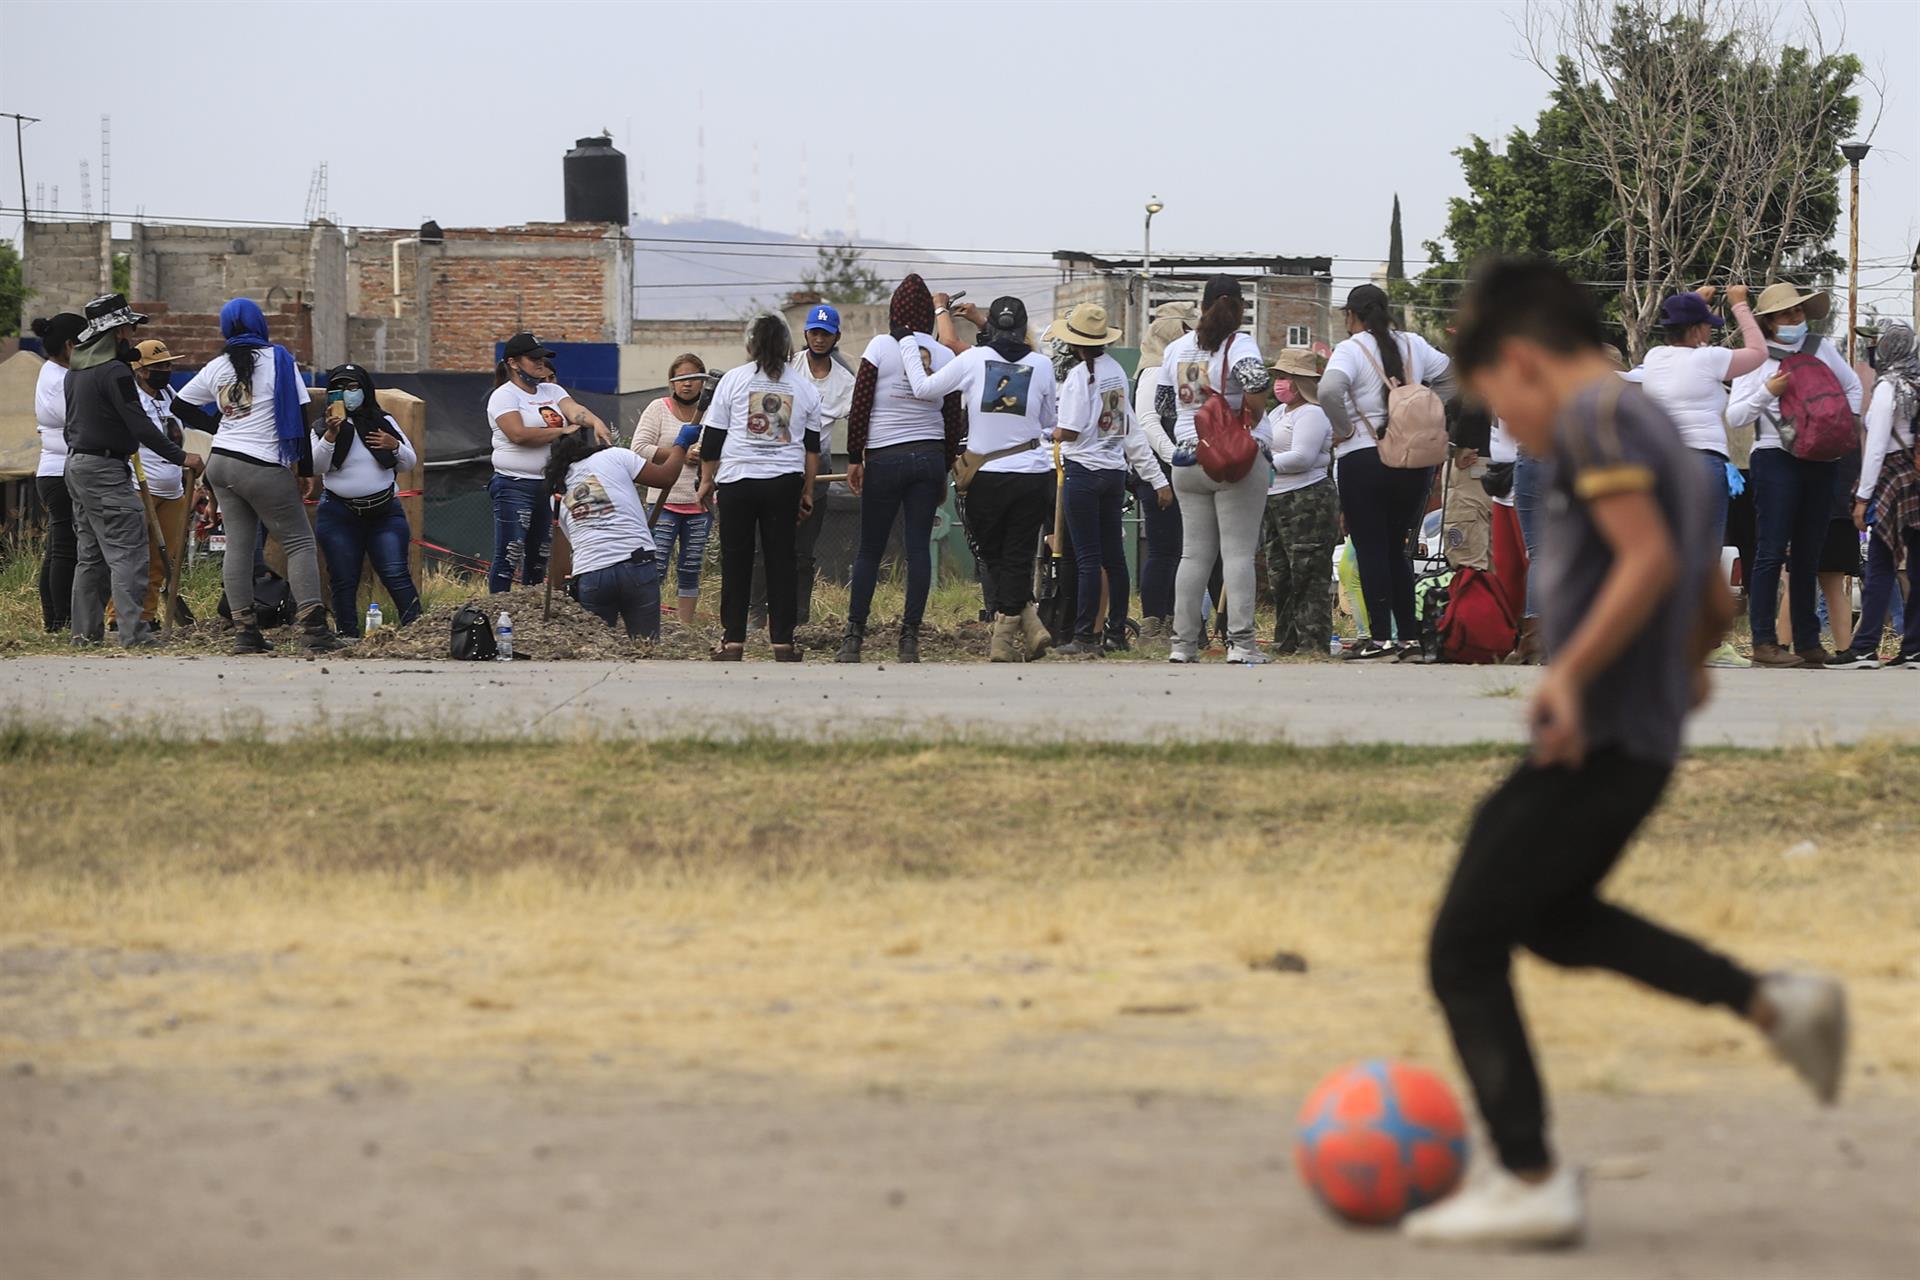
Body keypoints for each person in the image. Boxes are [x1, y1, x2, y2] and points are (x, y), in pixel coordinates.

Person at [1405, 258, 1845, 1249]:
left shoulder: (1602, 417)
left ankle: (1530, 1174)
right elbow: (1712, 592)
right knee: (1553, 921)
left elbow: (1646, 556)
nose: (1513, 425)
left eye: (1500, 403)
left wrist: (1567, 675)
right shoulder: (1651, 424)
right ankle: (1775, 1004)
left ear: (1523, 363)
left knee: (1464, 941)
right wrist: (1683, 666)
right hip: (1632, 730)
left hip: (1599, 726)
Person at [172, 299, 338, 654]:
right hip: (261, 464)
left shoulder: (217, 366)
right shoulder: (279, 360)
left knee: (239, 545)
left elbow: (180, 406)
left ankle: (245, 633)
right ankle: (314, 630)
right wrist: (304, 469)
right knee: (299, 542)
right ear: (260, 324)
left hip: (221, 463)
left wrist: (219, 425)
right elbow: (302, 413)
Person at [900, 295, 1058, 662]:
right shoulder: (1042, 365)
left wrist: (907, 342)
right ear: (1023, 330)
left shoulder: (971, 358)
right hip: (1032, 473)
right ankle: (1028, 625)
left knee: (993, 555)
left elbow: (924, 388)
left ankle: (1003, 638)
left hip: (985, 475)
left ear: (990, 328)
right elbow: (1050, 420)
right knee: (1018, 554)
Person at [1725, 282, 1864, 668]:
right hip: (1774, 458)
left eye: (1798, 312)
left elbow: (1852, 387)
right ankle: (1765, 643)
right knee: (1770, 552)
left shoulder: (1822, 349)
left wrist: (1839, 426)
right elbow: (1736, 417)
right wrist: (1768, 392)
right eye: (1786, 314)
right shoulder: (1754, 359)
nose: (1795, 319)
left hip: (1821, 459)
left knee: (1809, 554)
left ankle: (1807, 642)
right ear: (1768, 321)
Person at [1320, 283, 1459, 660]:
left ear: (1351, 316)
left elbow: (1329, 389)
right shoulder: (1413, 343)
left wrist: (1345, 429)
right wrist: (1430, 412)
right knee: (1398, 547)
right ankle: (1409, 638)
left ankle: (1379, 637)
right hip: (1411, 459)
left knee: (1370, 547)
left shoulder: (1350, 349)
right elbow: (1452, 378)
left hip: (1363, 455)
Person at [61, 294, 205, 648]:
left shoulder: (77, 372)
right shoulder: (116, 373)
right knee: (129, 553)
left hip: (77, 465)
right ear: (117, 331)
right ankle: (134, 634)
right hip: (106, 470)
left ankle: (84, 636)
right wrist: (180, 457)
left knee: (91, 556)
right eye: (129, 327)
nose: (132, 334)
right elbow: (140, 426)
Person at [837, 276, 967, 664]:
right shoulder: (944, 355)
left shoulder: (881, 345)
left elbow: (860, 404)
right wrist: (943, 469)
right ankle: (909, 639)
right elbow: (951, 419)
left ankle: (853, 638)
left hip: (884, 457)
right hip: (927, 459)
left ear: (895, 312)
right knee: (918, 550)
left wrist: (855, 458)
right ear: (928, 316)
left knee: (870, 550)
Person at [1638, 284, 1767, 668]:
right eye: (1706, 327)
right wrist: (1740, 306)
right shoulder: (1709, 359)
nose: (1711, 333)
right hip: (1700, 462)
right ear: (1697, 331)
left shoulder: (1655, 356)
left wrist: (1696, 301)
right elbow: (1758, 353)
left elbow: (1680, 319)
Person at [1156, 274, 1272, 664]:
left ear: (1202, 306)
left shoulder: (1176, 349)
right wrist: (1248, 416)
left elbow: (1163, 405)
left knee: (1193, 556)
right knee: (1238, 554)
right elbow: (1257, 381)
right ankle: (1241, 646)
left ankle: (1182, 645)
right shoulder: (1239, 344)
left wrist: (1193, 425)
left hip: (1188, 459)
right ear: (1239, 308)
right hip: (1233, 460)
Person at [1045, 303, 1169, 656]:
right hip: (1113, 473)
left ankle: (1085, 637)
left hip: (1083, 473)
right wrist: (1157, 479)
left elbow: (1068, 430)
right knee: (1114, 558)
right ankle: (1115, 631)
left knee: (1086, 558)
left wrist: (1048, 431)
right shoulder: (1116, 371)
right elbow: (1130, 430)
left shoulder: (1075, 379)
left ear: (1073, 343)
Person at [697, 313, 823, 661]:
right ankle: (783, 643)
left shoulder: (734, 380)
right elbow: (812, 448)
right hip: (784, 483)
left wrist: (707, 481)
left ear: (750, 344)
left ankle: (733, 641)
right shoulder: (804, 387)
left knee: (736, 561)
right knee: (781, 561)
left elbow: (713, 439)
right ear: (788, 346)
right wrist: (808, 491)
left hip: (737, 482)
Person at [546, 415, 700, 639]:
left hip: (591, 574)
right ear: (586, 443)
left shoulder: (557, 493)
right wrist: (681, 444)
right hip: (637, 566)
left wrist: (560, 596)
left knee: (599, 650)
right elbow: (666, 477)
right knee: (645, 647)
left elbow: (561, 562)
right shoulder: (614, 456)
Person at [751, 303, 854, 628]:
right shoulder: (788, 368)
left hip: (817, 468)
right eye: (814, 333)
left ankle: (798, 618)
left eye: (826, 334)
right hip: (777, 463)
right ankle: (757, 613)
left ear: (836, 336)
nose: (819, 339)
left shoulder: (844, 382)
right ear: (806, 334)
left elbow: (859, 421)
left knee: (802, 552)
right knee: (764, 547)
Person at [485, 332, 611, 594]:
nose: (540, 363)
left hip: (550, 484)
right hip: (514, 484)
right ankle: (498, 610)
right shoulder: (504, 396)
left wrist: (594, 421)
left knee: (539, 555)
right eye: (533, 359)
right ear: (513, 363)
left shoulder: (552, 390)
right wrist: (561, 432)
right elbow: (518, 434)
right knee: (510, 553)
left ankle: (530, 609)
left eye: (542, 358)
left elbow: (575, 411)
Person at [1830, 320, 1920, 669]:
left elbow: (1878, 446)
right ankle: (1913, 647)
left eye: (1876, 342)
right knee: (1916, 566)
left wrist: (1863, 497)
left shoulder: (1888, 388)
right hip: (1916, 480)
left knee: (1880, 564)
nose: (1873, 348)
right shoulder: (1916, 383)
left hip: (1893, 480)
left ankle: (1865, 645)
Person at [312, 364, 423, 638]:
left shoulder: (382, 421)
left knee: (396, 573)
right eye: (338, 388)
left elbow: (410, 462)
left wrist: (393, 445)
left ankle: (418, 631)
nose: (346, 394)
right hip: (339, 513)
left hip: (383, 512)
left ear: (365, 390)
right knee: (343, 577)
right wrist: (330, 436)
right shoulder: (321, 426)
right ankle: (348, 634)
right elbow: (316, 465)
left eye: (352, 388)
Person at [1259, 349, 1337, 656]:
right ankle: (1286, 640)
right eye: (1277, 377)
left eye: (1285, 378)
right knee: (1280, 574)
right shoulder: (1277, 414)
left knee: (1308, 572)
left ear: (1301, 381)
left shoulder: (1313, 413)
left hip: (1307, 500)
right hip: (1275, 498)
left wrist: (1264, 462)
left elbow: (1303, 458)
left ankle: (1313, 642)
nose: (1279, 384)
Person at [127, 340, 206, 628]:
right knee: (133, 557)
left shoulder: (170, 394)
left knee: (161, 560)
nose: (165, 371)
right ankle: (117, 618)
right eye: (157, 367)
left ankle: (146, 617)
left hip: (174, 488)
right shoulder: (132, 398)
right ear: (141, 371)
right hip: (141, 485)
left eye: (167, 365)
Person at [631, 355, 713, 628]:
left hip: (698, 502)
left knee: (691, 567)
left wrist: (703, 457)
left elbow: (725, 449)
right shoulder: (658, 408)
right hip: (663, 501)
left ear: (703, 382)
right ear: (671, 382)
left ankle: (685, 627)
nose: (687, 384)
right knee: (656, 565)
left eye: (693, 378)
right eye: (680, 379)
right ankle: (648, 623)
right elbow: (640, 448)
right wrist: (678, 452)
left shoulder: (713, 413)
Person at [1133, 307, 1191, 640]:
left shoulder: (1172, 370)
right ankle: (1153, 622)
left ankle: (1169, 620)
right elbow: (1147, 423)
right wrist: (1173, 461)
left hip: (1171, 470)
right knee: (1162, 550)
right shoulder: (1154, 371)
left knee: (1174, 551)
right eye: (1184, 330)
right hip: (1159, 474)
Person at [30, 313, 87, 633]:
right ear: (69, 345)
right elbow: (80, 417)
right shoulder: (59, 379)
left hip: (53, 469)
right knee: (65, 549)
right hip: (59, 471)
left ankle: (55, 620)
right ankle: (61, 621)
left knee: (57, 549)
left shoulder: (54, 372)